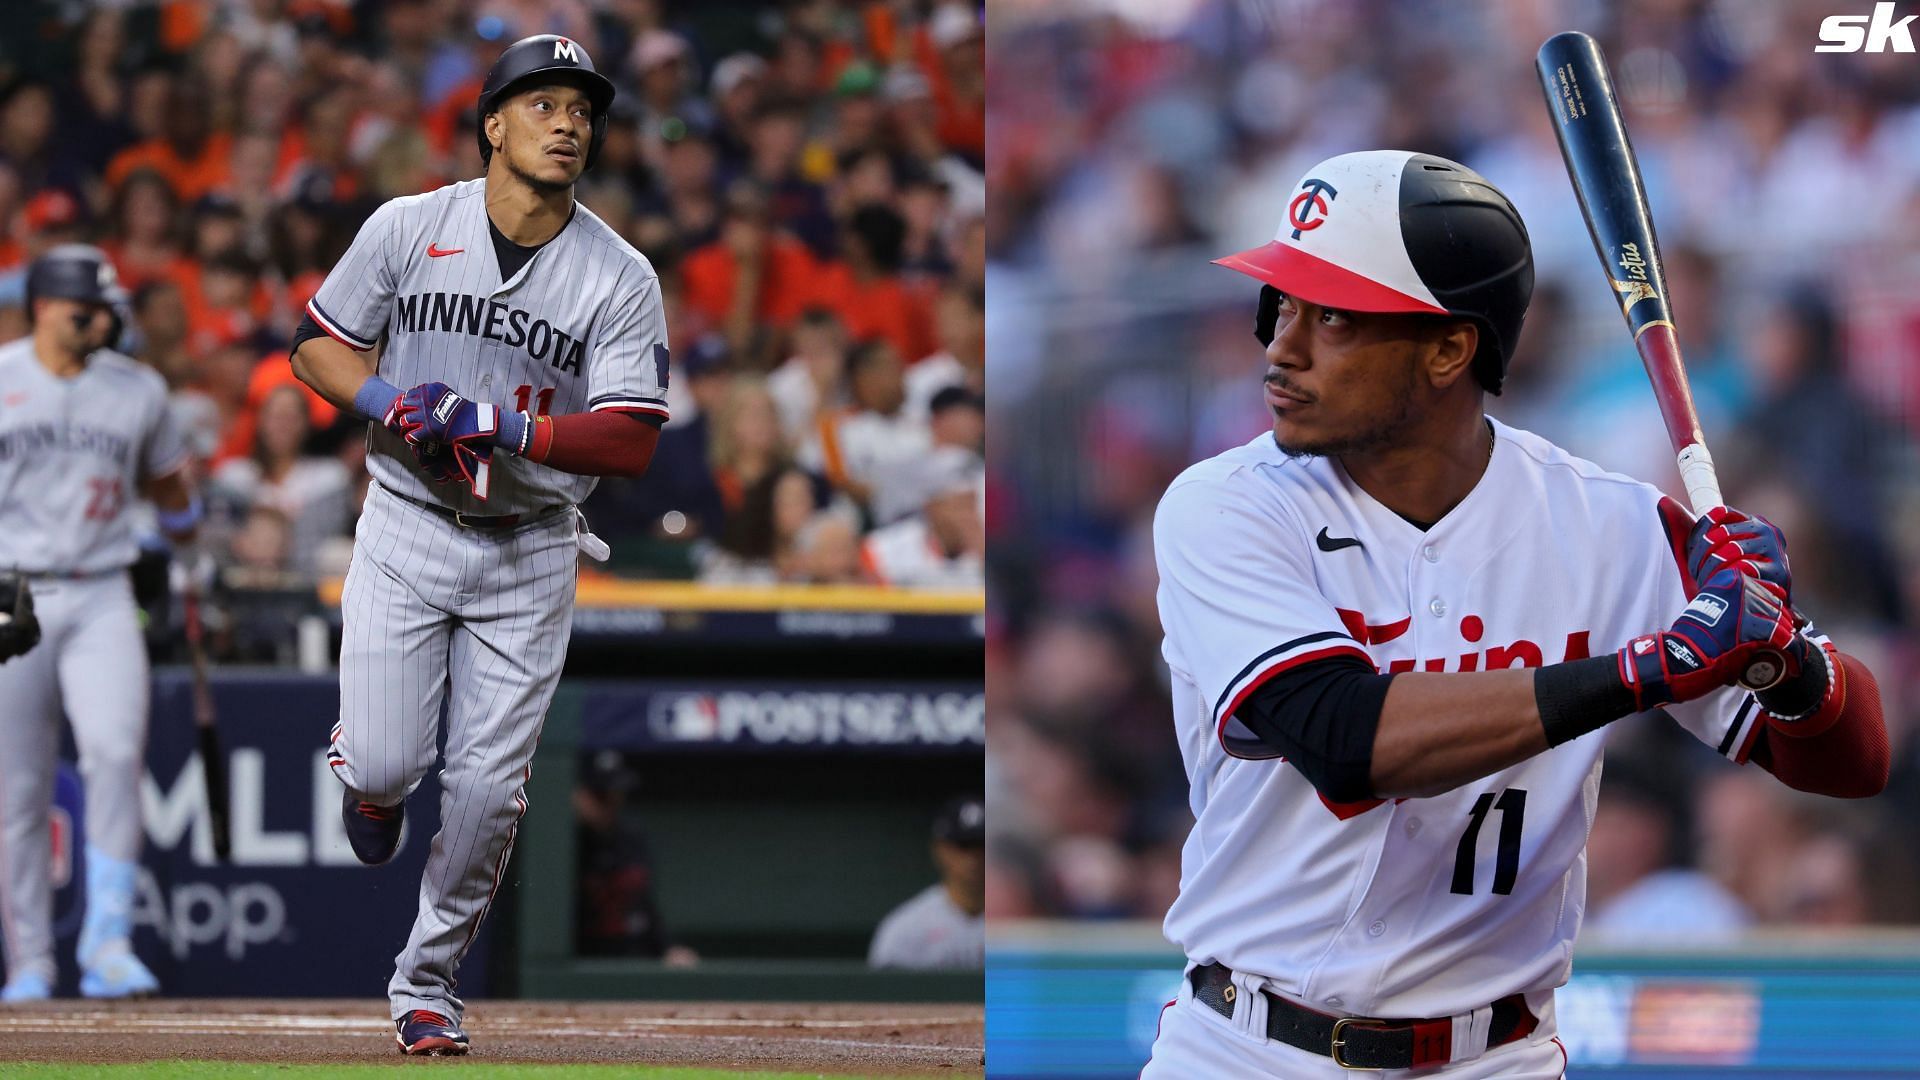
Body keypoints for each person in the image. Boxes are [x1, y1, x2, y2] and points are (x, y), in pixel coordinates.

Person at [1143, 151, 1889, 1078]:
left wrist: (1781, 650)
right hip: (1245, 1048)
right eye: (1281, 306)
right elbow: (1345, 737)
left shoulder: (1609, 524)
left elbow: (1854, 762)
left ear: (1451, 349)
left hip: (1494, 1057)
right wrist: (1644, 670)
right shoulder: (1227, 505)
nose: (1282, 346)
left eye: (1330, 315)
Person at [287, 35, 667, 1056]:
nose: (568, 123)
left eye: (581, 109)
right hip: (408, 518)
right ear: (493, 123)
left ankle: (426, 985)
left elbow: (630, 436)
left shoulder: (619, 274)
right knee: (386, 757)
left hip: (531, 541)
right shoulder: (411, 225)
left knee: (493, 791)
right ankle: (367, 778)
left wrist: (506, 428)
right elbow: (315, 341)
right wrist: (387, 400)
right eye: (542, 103)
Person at [0, 245, 200, 1002]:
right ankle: (29, 965)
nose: (102, 321)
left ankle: (107, 945)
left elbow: (172, 491)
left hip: (103, 591)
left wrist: (186, 540)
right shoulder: (2, 376)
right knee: (16, 790)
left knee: (115, 755)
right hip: (11, 594)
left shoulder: (137, 388)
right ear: (47, 307)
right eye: (89, 309)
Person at [868, 795, 985, 970]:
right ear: (940, 850)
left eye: (982, 846)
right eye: (964, 846)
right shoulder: (906, 928)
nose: (973, 858)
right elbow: (882, 994)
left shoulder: (1019, 923)